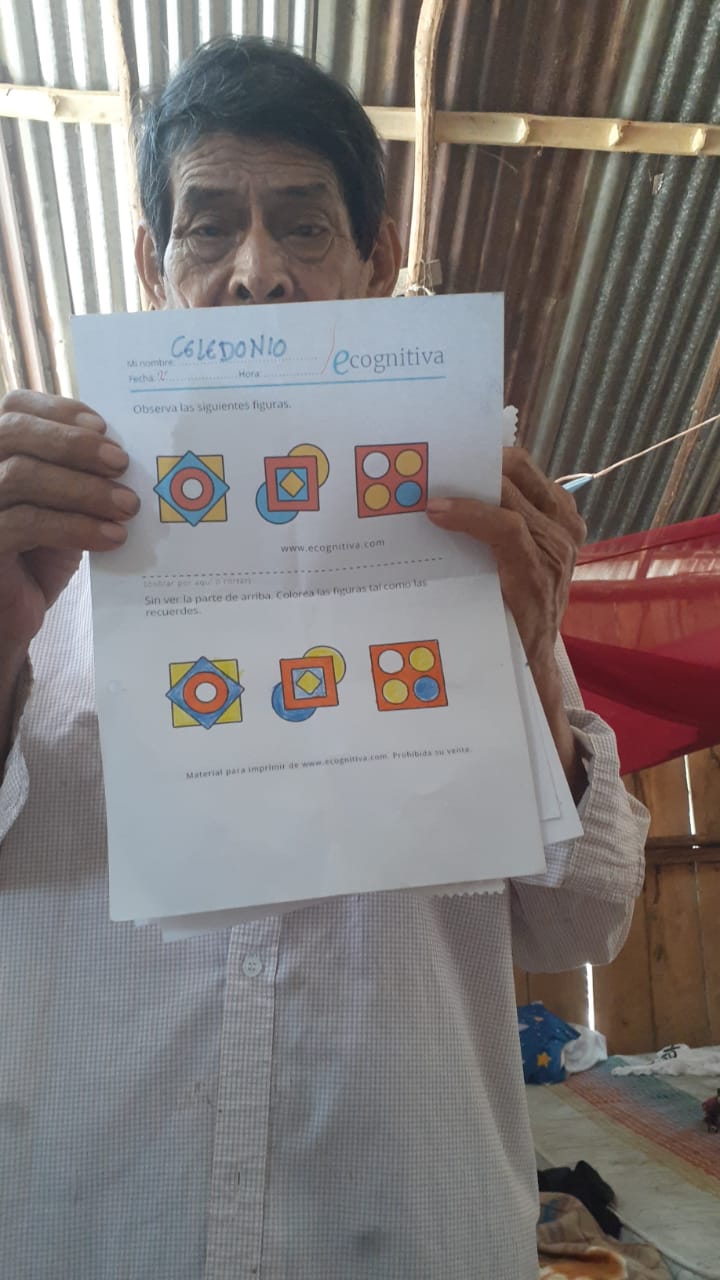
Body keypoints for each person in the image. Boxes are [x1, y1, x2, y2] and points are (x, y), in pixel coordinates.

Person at [0, 36, 647, 1280]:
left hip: (405, 1234)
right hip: (94, 1229)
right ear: (150, 264)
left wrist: (532, 656)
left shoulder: (476, 558)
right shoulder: (38, 557)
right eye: (208, 229)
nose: (257, 273)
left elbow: (584, 918)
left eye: (304, 225)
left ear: (377, 258)